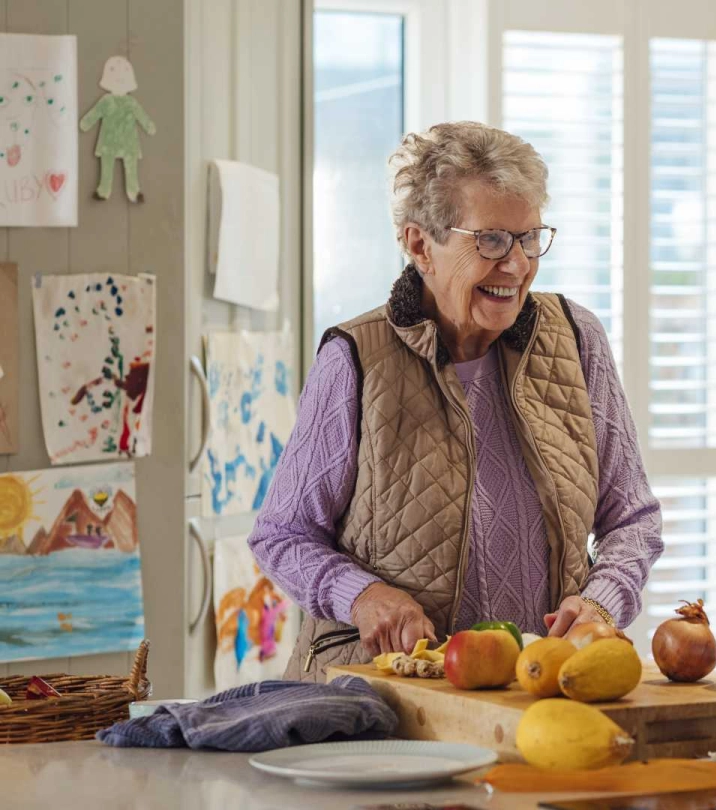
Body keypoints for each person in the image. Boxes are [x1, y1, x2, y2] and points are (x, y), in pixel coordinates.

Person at [249, 122, 663, 681]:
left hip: (535, 687)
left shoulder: (576, 337)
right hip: (383, 693)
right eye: (490, 240)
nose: (516, 265)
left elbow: (634, 518)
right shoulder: (355, 358)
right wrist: (363, 595)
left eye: (529, 238)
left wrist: (601, 600)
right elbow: (282, 535)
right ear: (421, 244)